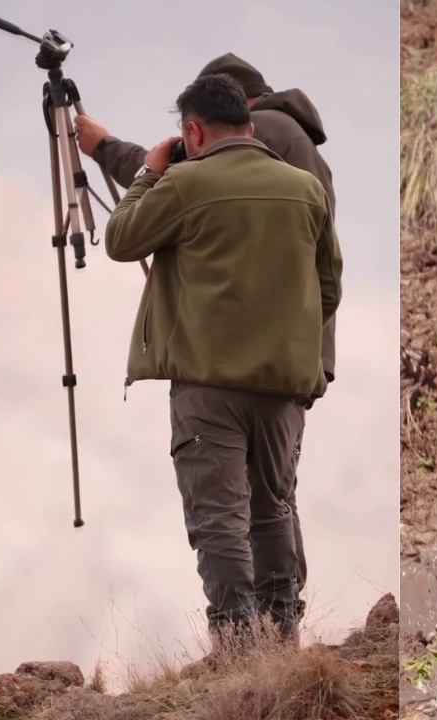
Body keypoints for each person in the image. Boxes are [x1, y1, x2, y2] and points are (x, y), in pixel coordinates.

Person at [77, 53, 335, 629]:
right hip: (284, 385)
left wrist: (148, 172)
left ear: (192, 132)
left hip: (208, 387)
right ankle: (281, 635)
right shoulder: (305, 189)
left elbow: (121, 239)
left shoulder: (185, 183)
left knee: (219, 518)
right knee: (273, 510)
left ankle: (238, 645)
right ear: (249, 121)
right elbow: (329, 287)